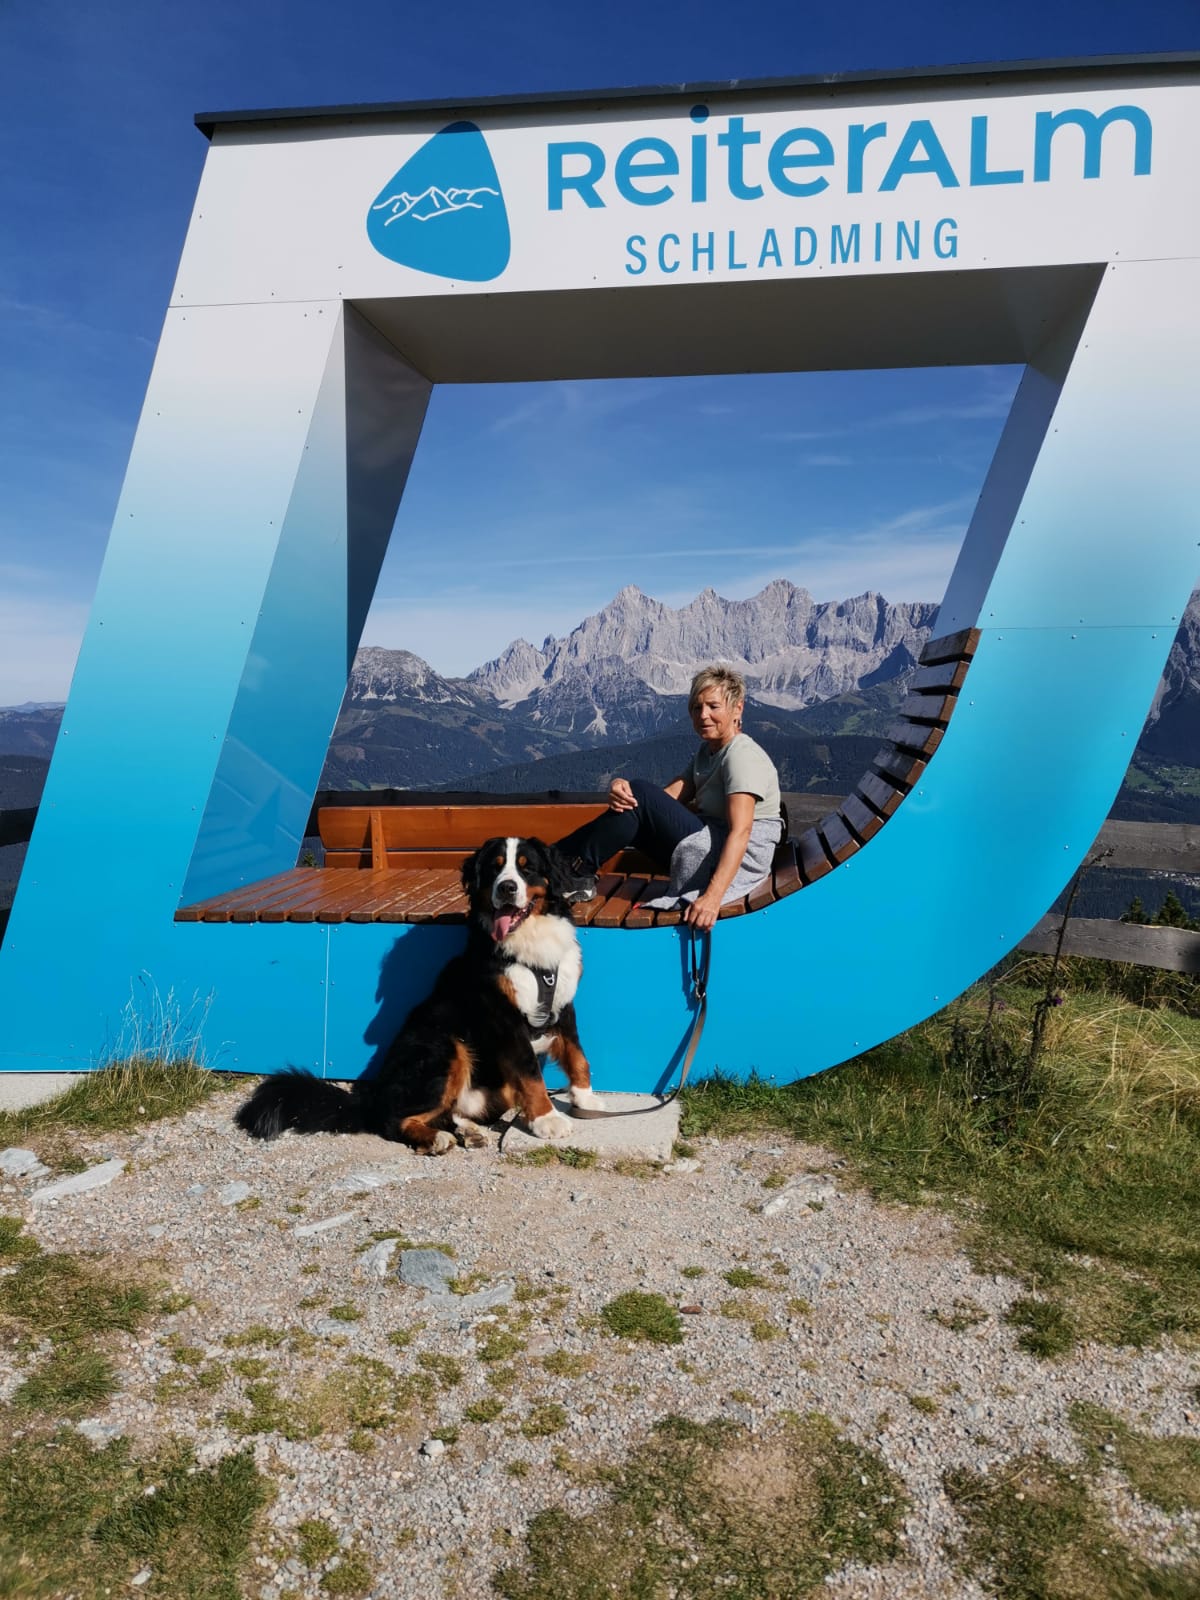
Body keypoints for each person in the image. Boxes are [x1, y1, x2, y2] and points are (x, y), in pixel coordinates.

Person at [557, 665, 784, 931]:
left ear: (738, 709)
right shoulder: (707, 753)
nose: (703, 715)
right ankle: (554, 863)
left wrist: (712, 898)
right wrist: (621, 787)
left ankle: (560, 867)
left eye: (713, 706)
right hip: (711, 845)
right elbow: (662, 802)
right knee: (634, 798)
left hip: (737, 862)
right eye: (696, 708)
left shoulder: (741, 755)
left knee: (639, 792)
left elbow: (742, 831)